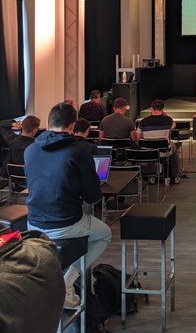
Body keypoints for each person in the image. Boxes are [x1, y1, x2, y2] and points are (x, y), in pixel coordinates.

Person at [25, 102, 111, 309]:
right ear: (73, 125)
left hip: (33, 223)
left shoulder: (30, 150)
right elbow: (92, 197)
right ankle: (67, 282)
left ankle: (50, 283)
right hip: (65, 223)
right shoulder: (79, 151)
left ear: (48, 123)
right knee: (104, 234)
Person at [137, 100, 181, 182]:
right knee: (174, 148)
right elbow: (174, 125)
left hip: (148, 153)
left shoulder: (143, 122)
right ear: (162, 109)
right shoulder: (168, 120)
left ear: (151, 109)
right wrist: (165, 115)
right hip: (164, 152)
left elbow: (138, 138)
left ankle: (150, 175)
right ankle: (176, 175)